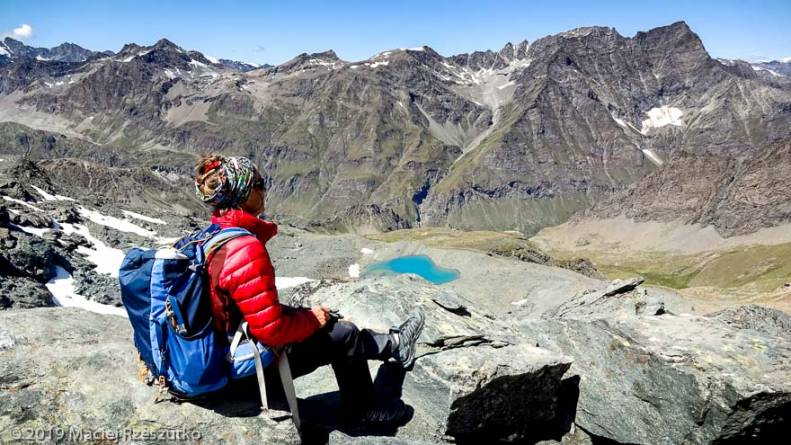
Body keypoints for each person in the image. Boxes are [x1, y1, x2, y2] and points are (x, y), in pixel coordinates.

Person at [194, 154, 424, 426]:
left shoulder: (211, 235)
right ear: (244, 193)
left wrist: (310, 317)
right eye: (260, 183)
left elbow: (243, 309)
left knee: (329, 322)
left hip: (216, 356)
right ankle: (364, 412)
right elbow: (272, 331)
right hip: (238, 373)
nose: (265, 190)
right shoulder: (244, 249)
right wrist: (313, 319)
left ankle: (394, 344)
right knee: (344, 333)